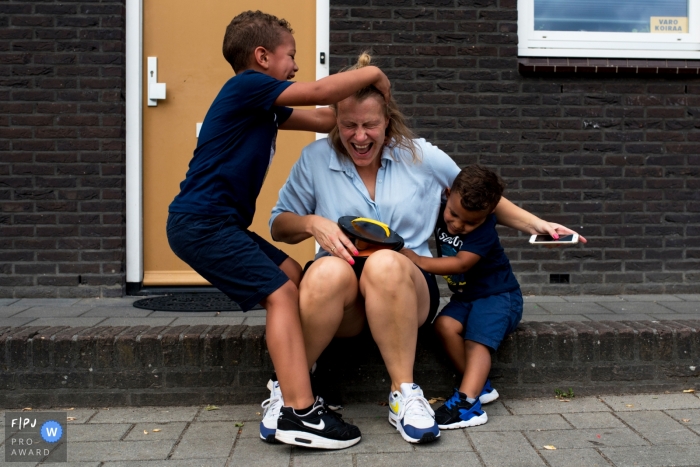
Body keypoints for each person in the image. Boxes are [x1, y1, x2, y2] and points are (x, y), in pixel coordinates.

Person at [269, 53, 584, 445]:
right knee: (326, 269)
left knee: (386, 262)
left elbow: (476, 196)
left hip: (405, 287)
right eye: (349, 125)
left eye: (370, 125)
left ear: (388, 121)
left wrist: (538, 224)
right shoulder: (314, 159)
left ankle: (404, 394)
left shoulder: (419, 155)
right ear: (335, 120)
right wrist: (310, 222)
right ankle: (290, 392)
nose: (359, 136)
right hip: (341, 299)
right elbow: (279, 224)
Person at [166, 11, 392, 450]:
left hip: (217, 223)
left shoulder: (263, 108)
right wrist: (374, 72)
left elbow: (326, 118)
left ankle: (291, 384)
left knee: (293, 276)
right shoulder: (246, 87)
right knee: (282, 293)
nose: (296, 65)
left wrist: (356, 108)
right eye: (291, 56)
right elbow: (321, 92)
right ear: (262, 56)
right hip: (202, 222)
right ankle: (301, 413)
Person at [401, 165, 525, 429]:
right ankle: (481, 387)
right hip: (468, 296)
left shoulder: (485, 231)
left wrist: (418, 260)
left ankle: (468, 404)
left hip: (499, 297)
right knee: (444, 326)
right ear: (448, 195)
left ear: (489, 214)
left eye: (469, 222)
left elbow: (460, 264)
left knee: (477, 339)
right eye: (453, 214)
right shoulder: (441, 208)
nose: (457, 225)